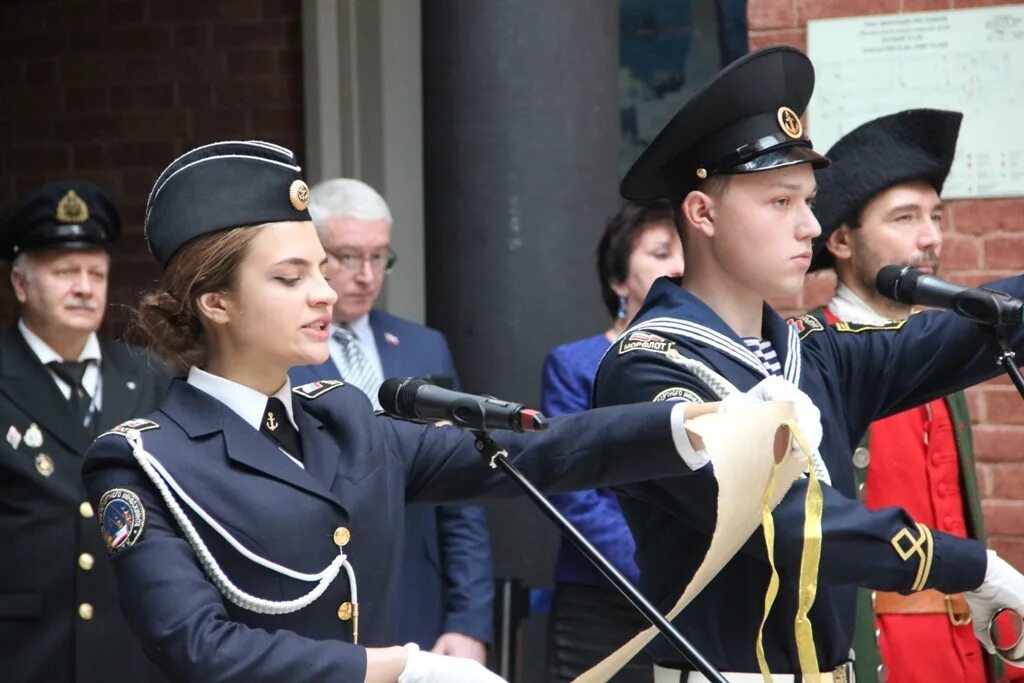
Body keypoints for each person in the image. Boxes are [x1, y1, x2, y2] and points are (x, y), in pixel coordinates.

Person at [79, 140, 800, 682]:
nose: (326, 294)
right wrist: (395, 668)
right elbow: (199, 645)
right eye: (291, 277)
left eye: (321, 273)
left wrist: (690, 424)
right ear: (216, 301)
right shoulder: (147, 459)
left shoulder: (342, 418)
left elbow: (536, 451)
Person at [591, 46, 1024, 682]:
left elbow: (964, 337)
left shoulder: (809, 349)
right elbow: (786, 521)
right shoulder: (650, 366)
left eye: (810, 200)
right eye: (780, 202)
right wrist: (973, 567)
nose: (810, 227)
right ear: (702, 213)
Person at [809, 108, 1024, 683]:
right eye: (905, 218)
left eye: (935, 215)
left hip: (967, 650)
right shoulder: (815, 355)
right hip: (879, 653)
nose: (931, 237)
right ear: (841, 239)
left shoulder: (943, 350)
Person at [291, 178, 494, 662]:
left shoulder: (425, 345)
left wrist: (469, 621)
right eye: (348, 257)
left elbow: (461, 484)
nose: (367, 276)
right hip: (319, 606)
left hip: (418, 601)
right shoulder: (282, 352)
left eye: (379, 257)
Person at [0, 181, 168, 682]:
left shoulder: (152, 377)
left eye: (96, 273)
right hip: (26, 654)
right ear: (21, 284)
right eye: (64, 272)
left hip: (131, 653)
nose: (84, 287)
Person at [541, 199, 683, 682]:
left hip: (700, 594)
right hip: (604, 597)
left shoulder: (707, 358)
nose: (680, 266)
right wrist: (660, 568)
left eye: (684, 251)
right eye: (661, 253)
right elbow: (573, 491)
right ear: (619, 281)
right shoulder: (575, 363)